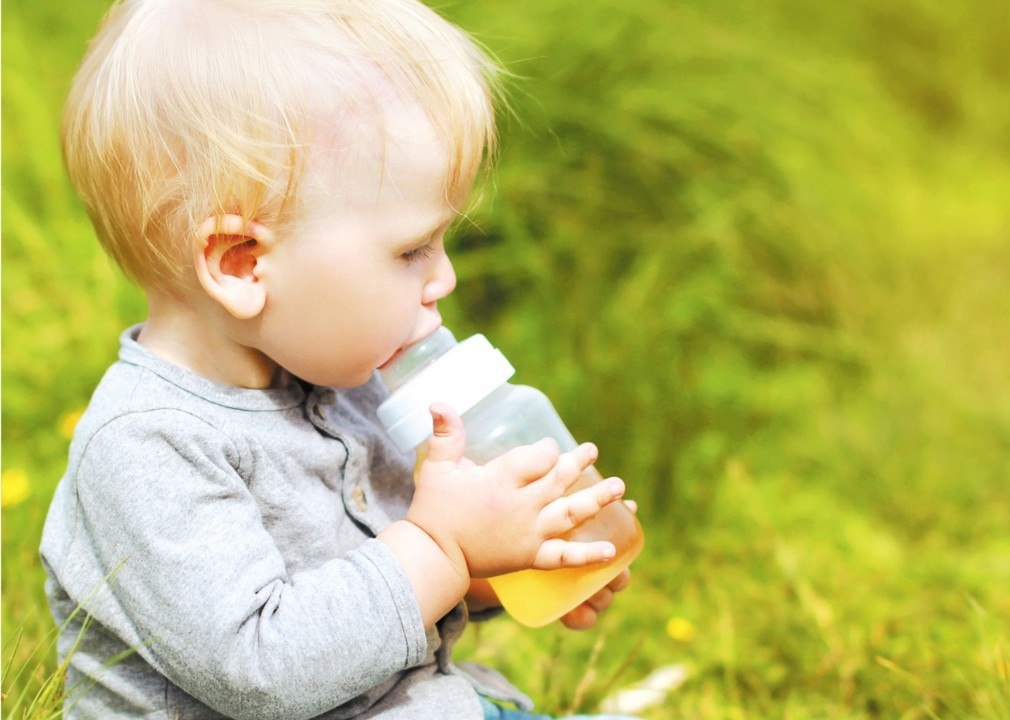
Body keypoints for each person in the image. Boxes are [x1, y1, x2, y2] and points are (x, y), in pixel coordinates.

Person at [38, 1, 640, 718]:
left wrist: (498, 559)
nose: (443, 278)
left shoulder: (341, 384)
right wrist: (442, 544)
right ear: (242, 264)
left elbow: (373, 598)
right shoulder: (146, 446)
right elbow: (263, 669)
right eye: (412, 249)